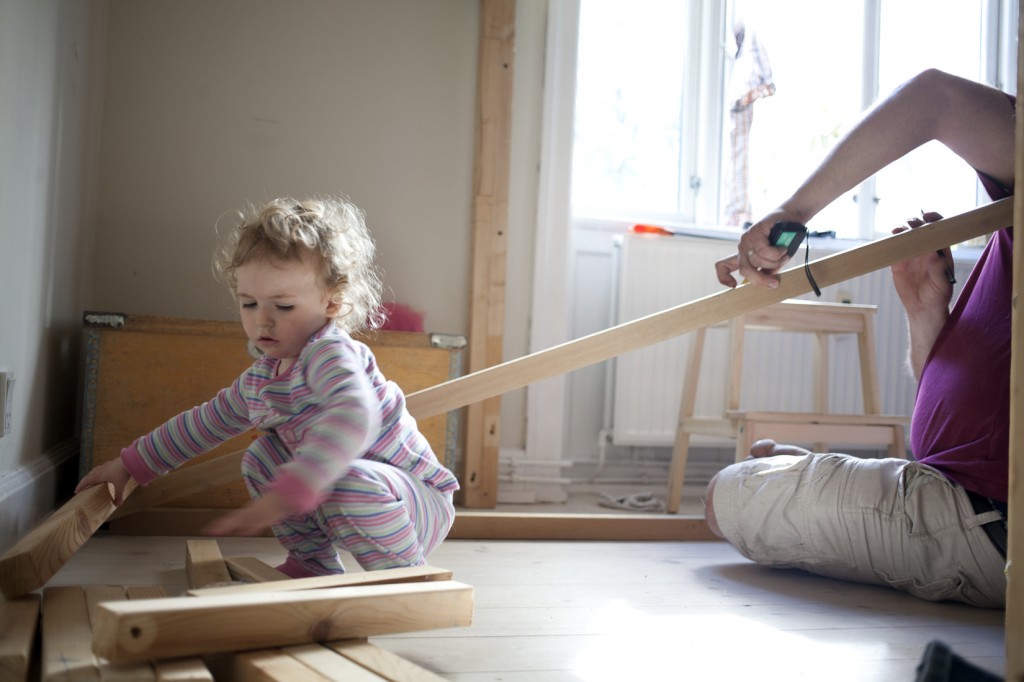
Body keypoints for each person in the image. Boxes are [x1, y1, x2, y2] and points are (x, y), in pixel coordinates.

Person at [706, 68, 1013, 608]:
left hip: (985, 522)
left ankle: (818, 490)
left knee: (725, 495)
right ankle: (825, 488)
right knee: (757, 483)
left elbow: (936, 97)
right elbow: (970, 424)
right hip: (957, 488)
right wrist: (926, 315)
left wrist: (793, 212)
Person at [76, 195, 459, 578]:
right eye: (249, 304)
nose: (262, 322)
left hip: (412, 504)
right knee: (261, 457)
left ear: (332, 302)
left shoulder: (330, 354)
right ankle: (314, 563)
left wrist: (298, 486)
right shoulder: (263, 377)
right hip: (336, 495)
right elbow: (202, 425)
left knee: (344, 479)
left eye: (284, 306)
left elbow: (355, 416)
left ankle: (404, 575)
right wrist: (128, 466)